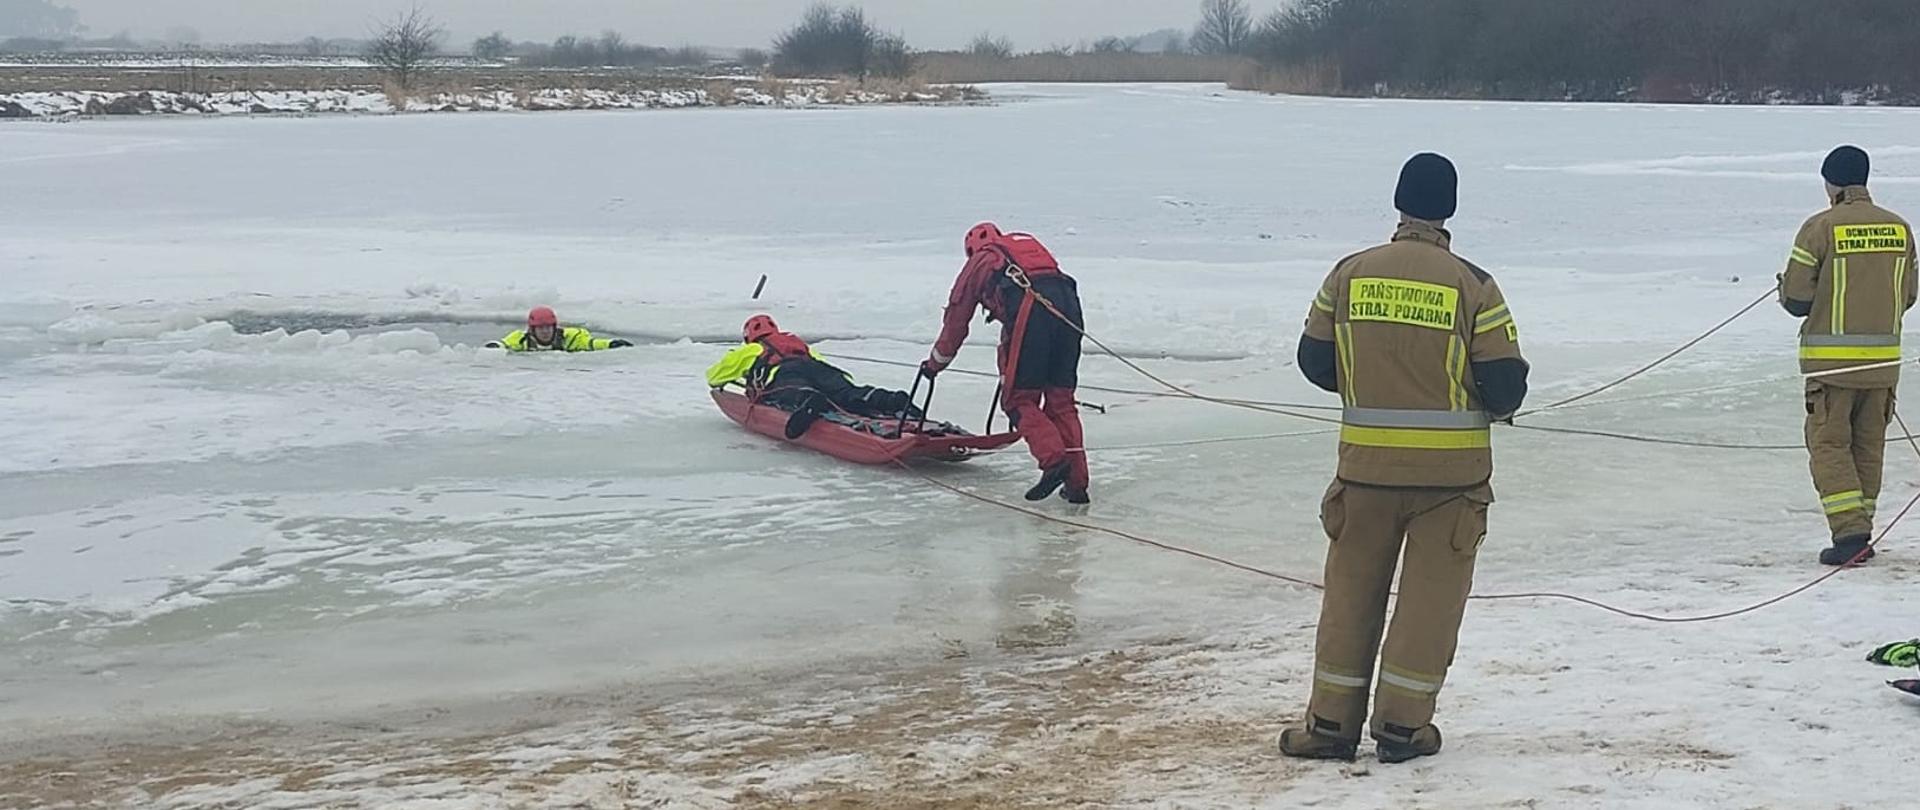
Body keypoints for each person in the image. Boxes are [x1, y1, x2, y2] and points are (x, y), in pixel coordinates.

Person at [1280, 153, 1530, 765]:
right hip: (1452, 483)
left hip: (1363, 472)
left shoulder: (1350, 273)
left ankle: (1330, 726)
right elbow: (1503, 384)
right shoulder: (1474, 284)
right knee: (1427, 606)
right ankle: (1402, 728)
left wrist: (1374, 383)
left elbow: (1314, 360)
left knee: (1349, 596)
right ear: (1449, 209)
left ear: (1398, 202)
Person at [1779, 146, 1918, 567]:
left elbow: (1798, 298)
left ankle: (1850, 535)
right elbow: (1909, 295)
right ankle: (1861, 531)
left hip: (1832, 367)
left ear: (1830, 183)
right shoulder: (1899, 228)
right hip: (1882, 366)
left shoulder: (1820, 228)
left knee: (1830, 447)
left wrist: (1785, 289)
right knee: (1868, 448)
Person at [921, 223, 1090, 504]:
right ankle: (1077, 485)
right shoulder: (1026, 248)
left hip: (1033, 309)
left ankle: (1053, 461)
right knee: (1061, 400)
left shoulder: (980, 261)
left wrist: (934, 364)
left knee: (1018, 400)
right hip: (1068, 305)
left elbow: (956, 320)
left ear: (971, 249)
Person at [707, 315, 920, 439]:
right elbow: (819, 361)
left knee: (793, 394)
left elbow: (714, 377)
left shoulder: (751, 349)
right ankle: (889, 399)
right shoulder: (796, 342)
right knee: (849, 393)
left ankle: (810, 401)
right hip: (819, 368)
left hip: (787, 374)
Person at [488, 306, 633, 352]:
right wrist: (495, 346)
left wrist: (610, 344)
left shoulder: (571, 337)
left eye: (548, 327)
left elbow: (590, 344)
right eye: (540, 328)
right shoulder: (520, 338)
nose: (545, 331)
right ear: (532, 330)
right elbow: (504, 344)